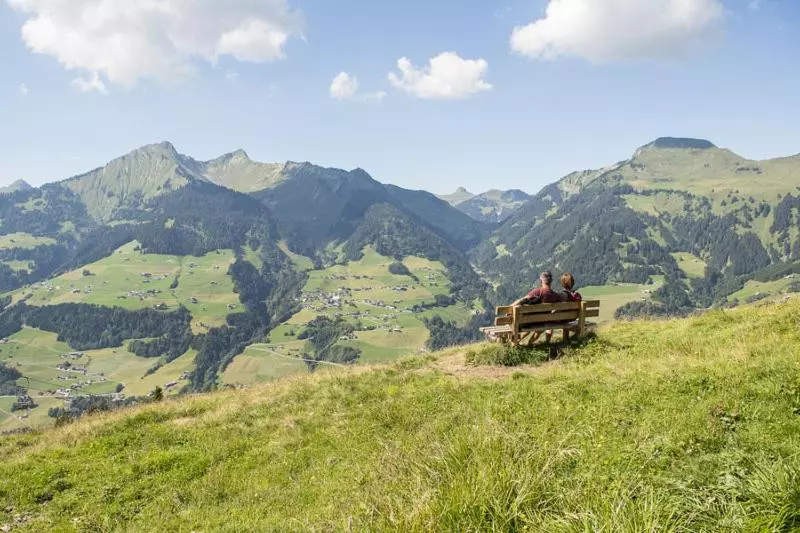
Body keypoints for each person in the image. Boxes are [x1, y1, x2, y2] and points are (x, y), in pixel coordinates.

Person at [513, 271, 561, 344]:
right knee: (537, 331)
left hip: (530, 321)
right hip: (543, 321)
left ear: (541, 280)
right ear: (551, 281)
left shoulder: (537, 292)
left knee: (524, 326)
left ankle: (516, 343)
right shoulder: (555, 295)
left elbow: (523, 300)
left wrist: (510, 307)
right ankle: (529, 344)